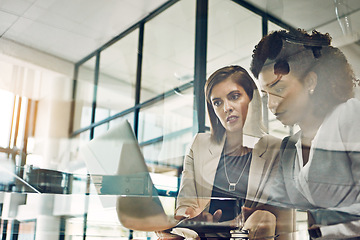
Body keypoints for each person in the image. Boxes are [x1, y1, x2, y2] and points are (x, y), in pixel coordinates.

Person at [250, 29, 360, 239]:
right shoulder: (289, 146)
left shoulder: (349, 116)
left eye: (279, 90)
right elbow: (277, 201)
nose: (271, 105)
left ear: (310, 82)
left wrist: (323, 231)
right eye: (266, 95)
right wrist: (261, 213)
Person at [174, 65, 294, 239]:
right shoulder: (199, 145)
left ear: (251, 99)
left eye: (234, 97)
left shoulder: (276, 149)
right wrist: (191, 215)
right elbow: (184, 203)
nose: (226, 107)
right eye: (218, 102)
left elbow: (283, 218)